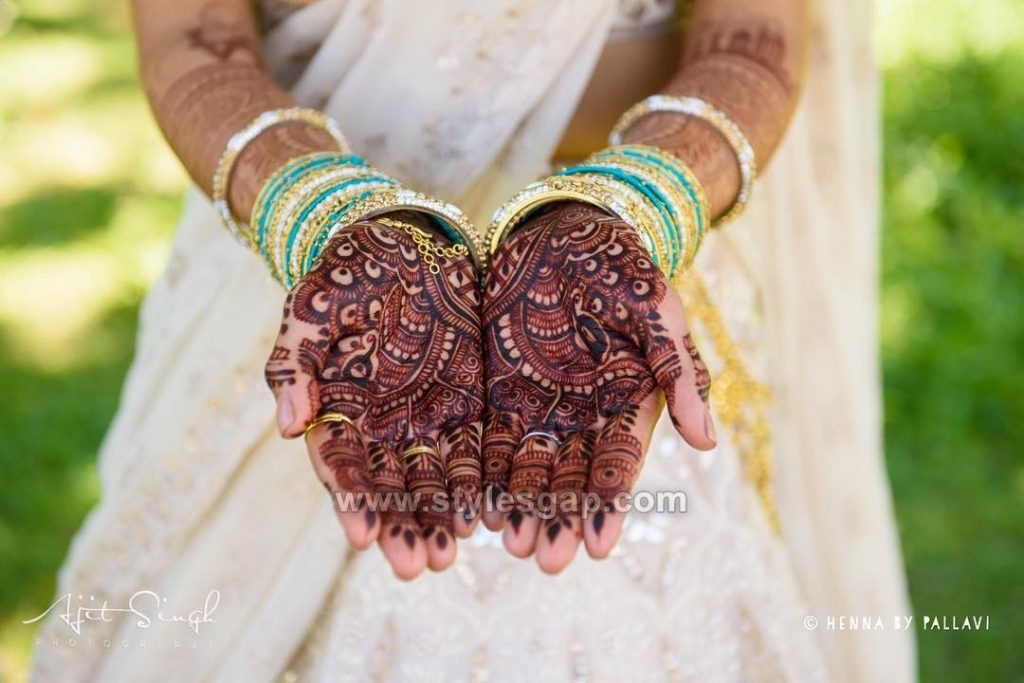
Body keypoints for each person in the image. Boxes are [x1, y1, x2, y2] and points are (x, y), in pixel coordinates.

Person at [31, 0, 915, 680]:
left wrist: (633, 210)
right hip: (313, 317)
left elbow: (755, 32)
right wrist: (324, 219)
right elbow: (189, 34)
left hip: (610, 344)